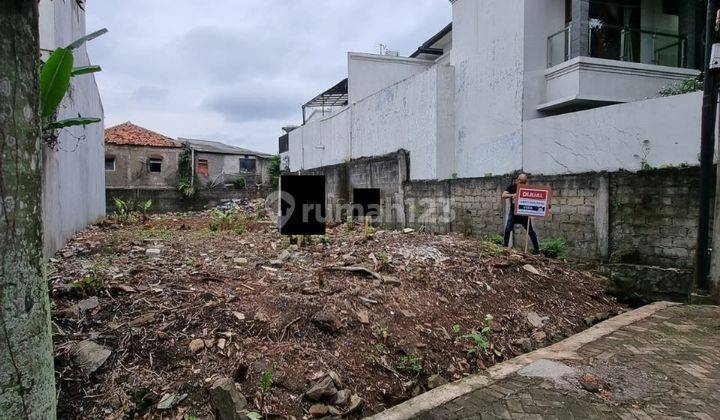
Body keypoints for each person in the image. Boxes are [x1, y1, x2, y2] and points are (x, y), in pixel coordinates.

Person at [501, 173, 540, 254]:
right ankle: (504, 247)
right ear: (517, 180)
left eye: (524, 182)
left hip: (524, 214)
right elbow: (503, 195)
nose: (522, 184)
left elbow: (536, 199)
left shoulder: (527, 188)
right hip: (513, 213)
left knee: (531, 231)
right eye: (521, 182)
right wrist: (513, 195)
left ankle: (537, 250)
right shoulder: (512, 187)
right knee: (508, 229)